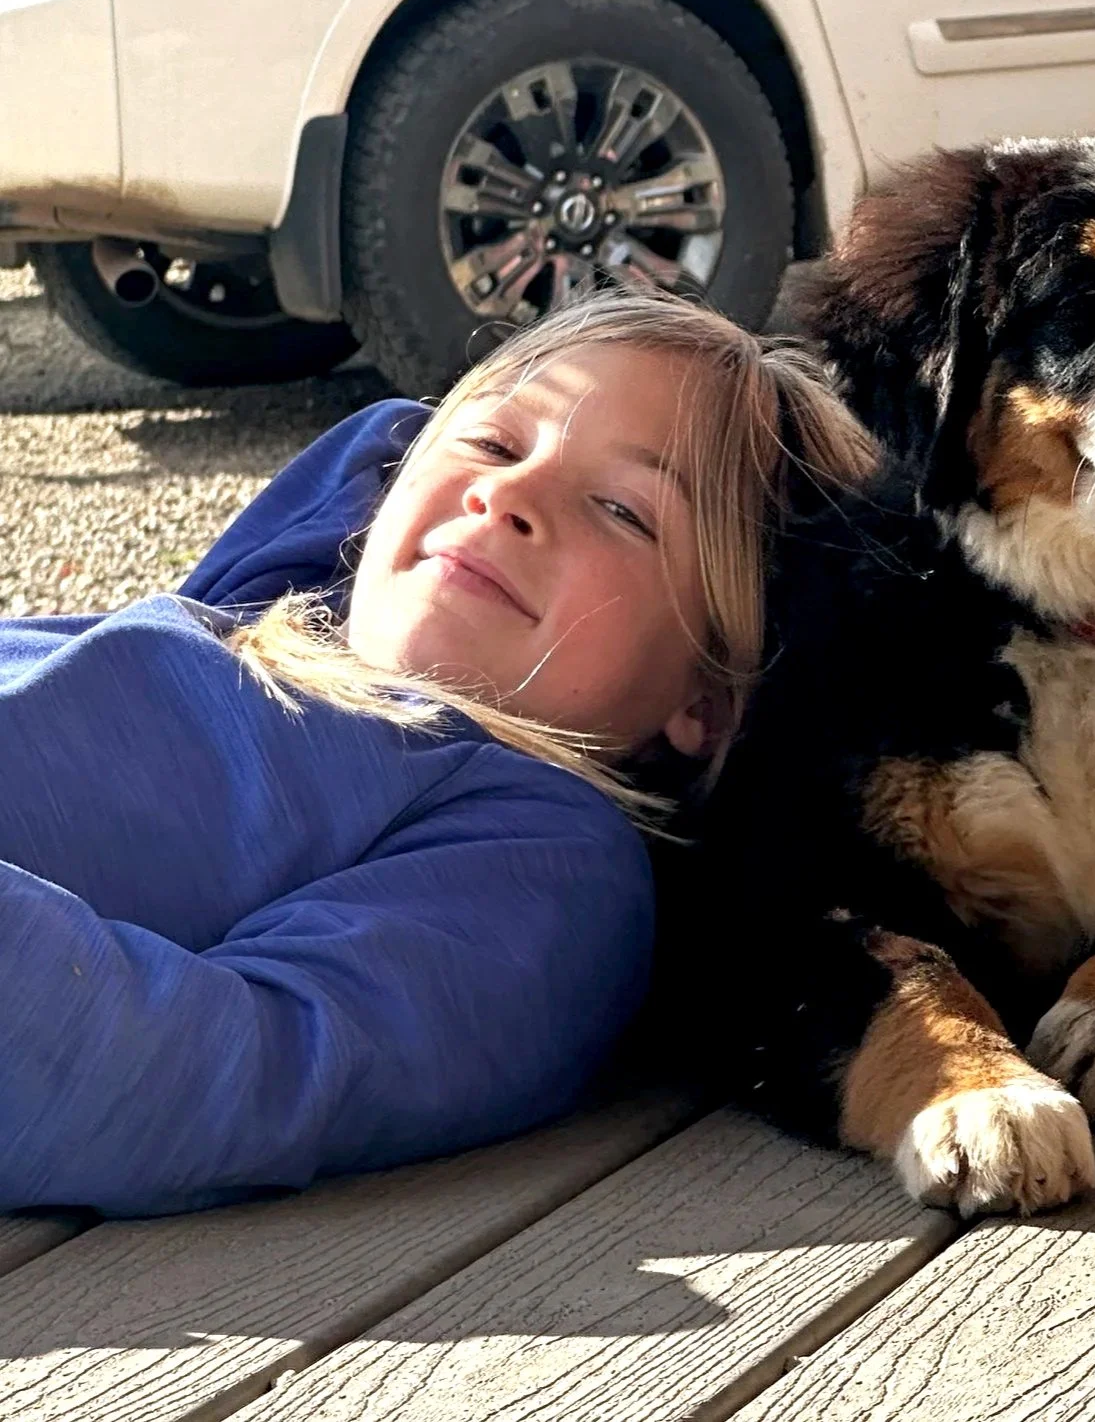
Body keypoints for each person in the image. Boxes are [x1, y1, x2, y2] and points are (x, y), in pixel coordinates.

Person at [0, 293, 875, 1217]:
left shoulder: (543, 853)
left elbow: (192, 1077)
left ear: (708, 700)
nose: (508, 495)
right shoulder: (278, 608)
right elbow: (384, 443)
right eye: (495, 445)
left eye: (623, 510)